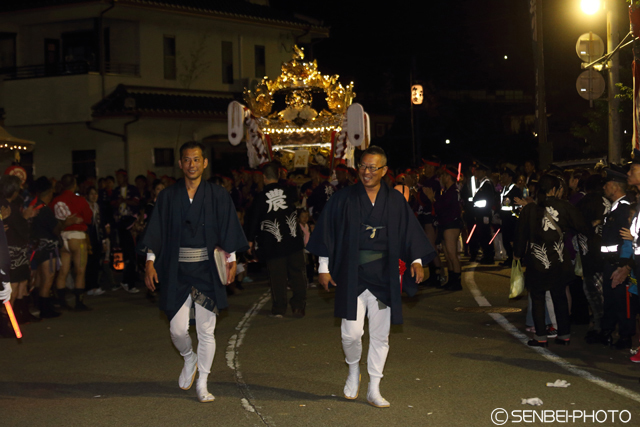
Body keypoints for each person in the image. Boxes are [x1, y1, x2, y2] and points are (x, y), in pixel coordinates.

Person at [307, 146, 435, 408]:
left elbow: (410, 232)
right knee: (351, 334)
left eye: (373, 167)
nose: (367, 172)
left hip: (384, 275)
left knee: (380, 335)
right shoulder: (343, 199)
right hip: (351, 273)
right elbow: (327, 231)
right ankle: (353, 368)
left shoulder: (395, 200)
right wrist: (323, 266)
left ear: (384, 171)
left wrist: (417, 260)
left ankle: (374, 387)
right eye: (363, 166)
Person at [141, 141, 248, 403]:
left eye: (197, 159)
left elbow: (228, 228)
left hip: (206, 268)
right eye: (187, 160)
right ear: (180, 164)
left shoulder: (218, 195)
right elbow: (157, 231)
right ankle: (189, 358)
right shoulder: (167, 196)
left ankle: (203, 382)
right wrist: (150, 261)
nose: (192, 164)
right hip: (176, 268)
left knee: (206, 331)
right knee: (177, 330)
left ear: (205, 162)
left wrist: (231, 258)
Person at [514, 174, 589, 347]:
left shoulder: (530, 209)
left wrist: (517, 255)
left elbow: (520, 236)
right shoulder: (564, 206)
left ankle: (540, 336)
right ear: (554, 190)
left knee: (538, 297)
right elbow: (582, 227)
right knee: (560, 296)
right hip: (559, 259)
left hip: (536, 260)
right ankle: (564, 334)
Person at [246, 162, 307, 317]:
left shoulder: (260, 197)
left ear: (264, 177)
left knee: (277, 276)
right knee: (297, 274)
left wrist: (250, 240)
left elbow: (253, 220)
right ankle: (298, 306)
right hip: (293, 240)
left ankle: (279, 308)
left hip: (273, 242)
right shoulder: (289, 192)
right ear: (278, 176)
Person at [598, 165, 635, 349]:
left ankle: (625, 336)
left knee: (622, 303)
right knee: (611, 301)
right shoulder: (615, 209)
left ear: (615, 186)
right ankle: (607, 332)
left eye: (607, 183)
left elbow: (627, 240)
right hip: (610, 263)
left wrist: (623, 264)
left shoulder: (623, 209)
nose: (604, 187)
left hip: (619, 264)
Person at [50, 174, 94, 311]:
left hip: (63, 238)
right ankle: (79, 302)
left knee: (63, 271)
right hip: (77, 237)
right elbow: (88, 218)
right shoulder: (80, 200)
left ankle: (62, 301)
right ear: (74, 184)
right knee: (80, 270)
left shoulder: (55, 200)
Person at [427, 165, 462, 291]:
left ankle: (457, 282)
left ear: (448, 177)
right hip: (446, 224)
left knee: (452, 255)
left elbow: (441, 207)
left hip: (451, 224)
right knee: (447, 255)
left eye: (444, 176)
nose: (441, 178)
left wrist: (432, 199)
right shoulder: (448, 191)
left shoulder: (452, 191)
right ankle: (451, 279)